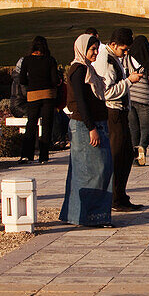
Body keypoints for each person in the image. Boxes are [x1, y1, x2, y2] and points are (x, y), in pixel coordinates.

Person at [60, 34, 114, 228]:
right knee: (94, 171)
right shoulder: (78, 70)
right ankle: (90, 215)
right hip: (86, 126)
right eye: (92, 49)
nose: (95, 52)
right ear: (83, 49)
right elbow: (81, 102)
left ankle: (81, 214)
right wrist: (91, 128)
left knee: (94, 170)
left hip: (94, 124)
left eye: (97, 49)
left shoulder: (87, 69)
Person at [94, 27, 144, 211]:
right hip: (112, 112)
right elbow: (107, 92)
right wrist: (129, 81)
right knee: (117, 156)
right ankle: (115, 198)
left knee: (126, 154)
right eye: (123, 49)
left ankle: (121, 196)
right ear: (113, 44)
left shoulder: (114, 58)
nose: (125, 53)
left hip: (121, 111)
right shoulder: (105, 61)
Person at [19, 36, 60, 163]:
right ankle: (44, 156)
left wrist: (31, 83)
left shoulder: (26, 60)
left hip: (33, 95)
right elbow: (54, 80)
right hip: (48, 95)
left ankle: (27, 154)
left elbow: (22, 80)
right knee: (47, 125)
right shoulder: (50, 60)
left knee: (31, 124)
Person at [127, 35, 149, 167]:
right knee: (146, 127)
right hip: (145, 99)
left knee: (133, 128)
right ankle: (142, 148)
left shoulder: (127, 58)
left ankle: (135, 157)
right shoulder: (148, 60)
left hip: (130, 97)